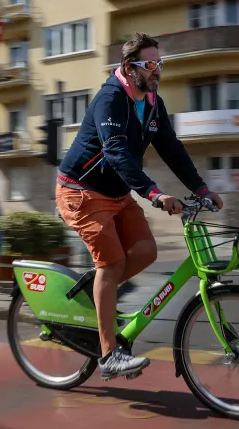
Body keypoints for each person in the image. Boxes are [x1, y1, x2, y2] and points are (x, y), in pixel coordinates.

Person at [55, 32, 224, 381]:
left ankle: (96, 295)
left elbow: (171, 148)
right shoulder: (110, 99)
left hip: (116, 193)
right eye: (150, 65)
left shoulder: (152, 102)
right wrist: (153, 193)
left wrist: (201, 187)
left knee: (146, 251)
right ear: (129, 68)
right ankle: (108, 355)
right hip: (81, 191)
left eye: (159, 64)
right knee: (113, 262)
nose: (156, 71)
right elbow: (115, 151)